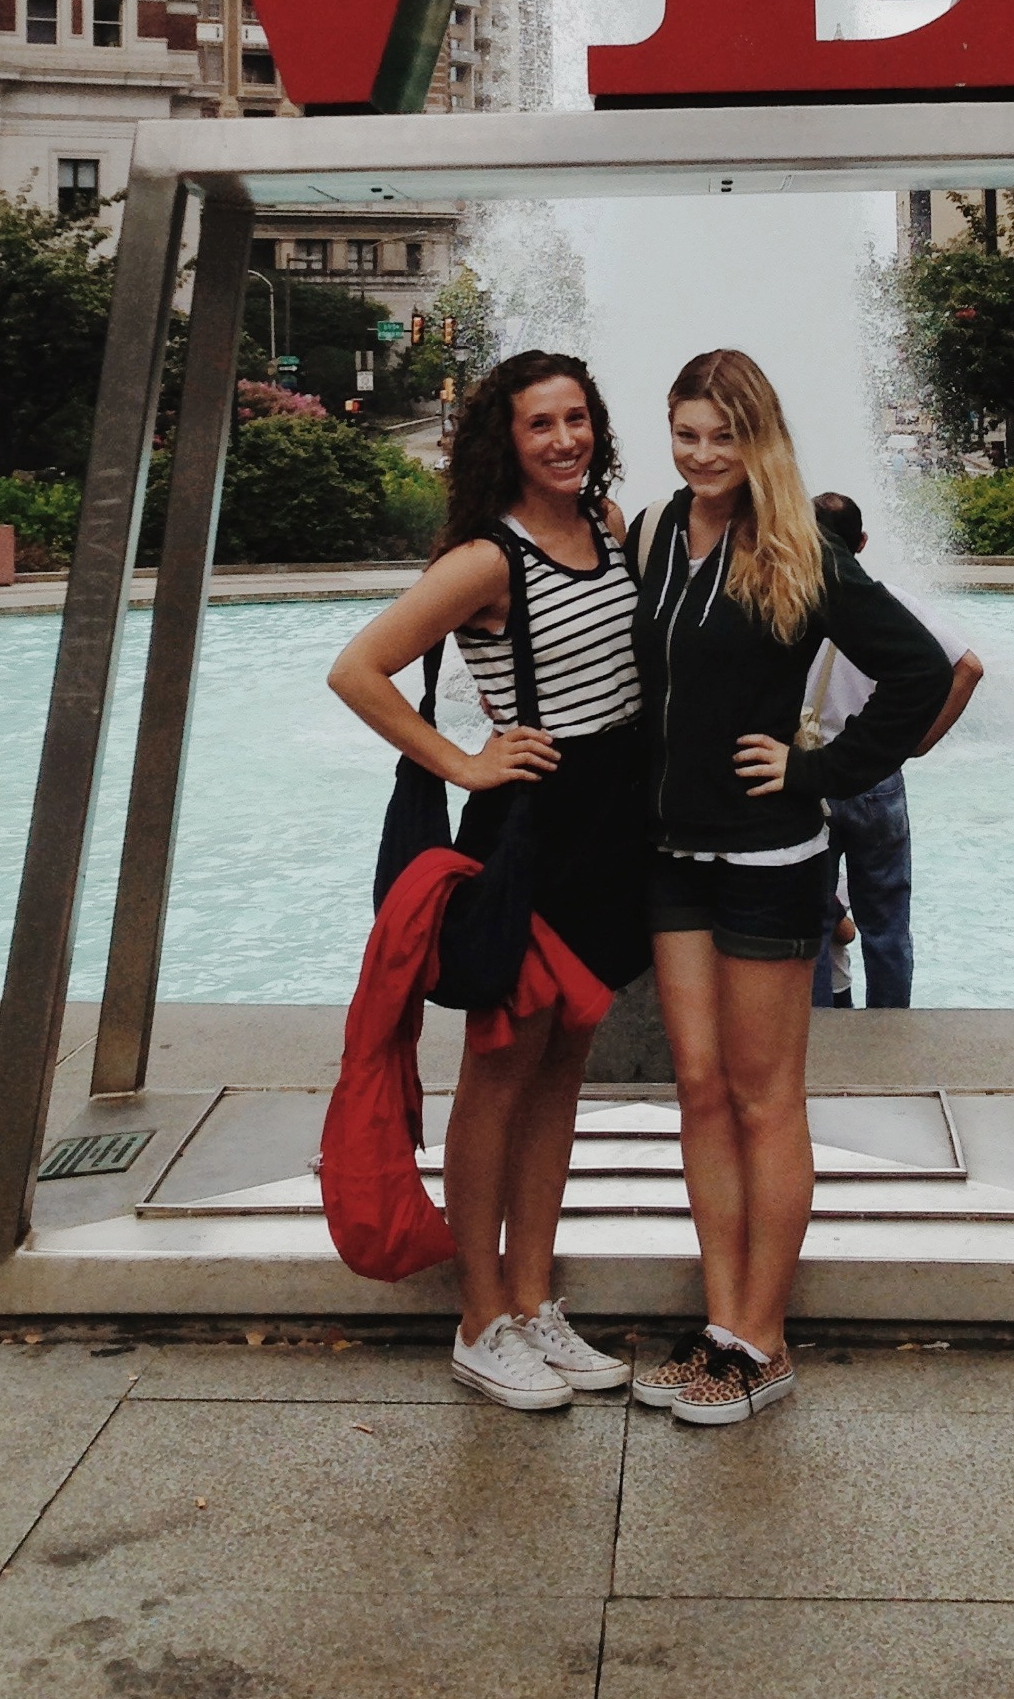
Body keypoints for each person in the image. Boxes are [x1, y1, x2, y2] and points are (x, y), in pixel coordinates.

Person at [627, 349, 949, 1426]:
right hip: (672, 856)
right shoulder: (653, 533)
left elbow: (919, 669)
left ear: (759, 436)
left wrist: (818, 770)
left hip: (770, 857)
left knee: (765, 1098)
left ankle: (764, 1339)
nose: (702, 455)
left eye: (723, 435)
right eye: (686, 434)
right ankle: (722, 1325)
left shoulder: (799, 547)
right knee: (700, 1089)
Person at [327, 351, 648, 1413]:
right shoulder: (485, 559)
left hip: (611, 831)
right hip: (531, 833)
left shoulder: (609, 526)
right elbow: (357, 669)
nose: (564, 439)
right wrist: (463, 761)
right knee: (502, 1072)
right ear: (504, 441)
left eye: (576, 418)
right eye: (539, 424)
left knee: (562, 1074)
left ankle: (533, 1300)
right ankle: (479, 1321)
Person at [805, 491, 984, 1011]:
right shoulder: (893, 603)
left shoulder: (792, 603)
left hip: (810, 774)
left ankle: (819, 1033)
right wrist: (916, 742)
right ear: (861, 543)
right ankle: (891, 1029)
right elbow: (968, 667)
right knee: (886, 922)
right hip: (876, 775)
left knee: (810, 921)